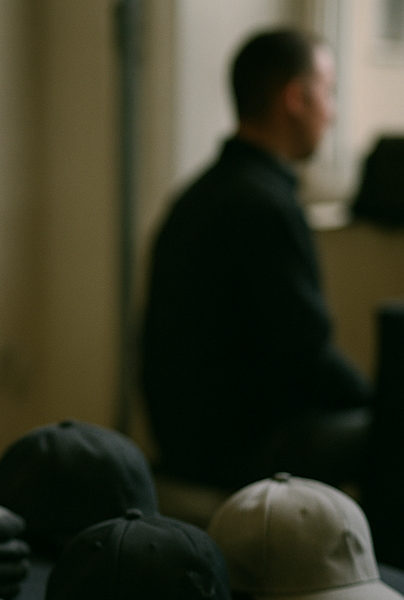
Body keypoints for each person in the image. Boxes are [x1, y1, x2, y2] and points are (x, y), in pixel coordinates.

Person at [141, 28, 371, 491]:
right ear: (295, 98)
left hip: (184, 442)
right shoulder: (265, 206)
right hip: (240, 452)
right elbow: (307, 356)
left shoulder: (199, 195)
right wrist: (383, 404)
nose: (333, 112)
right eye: (328, 91)